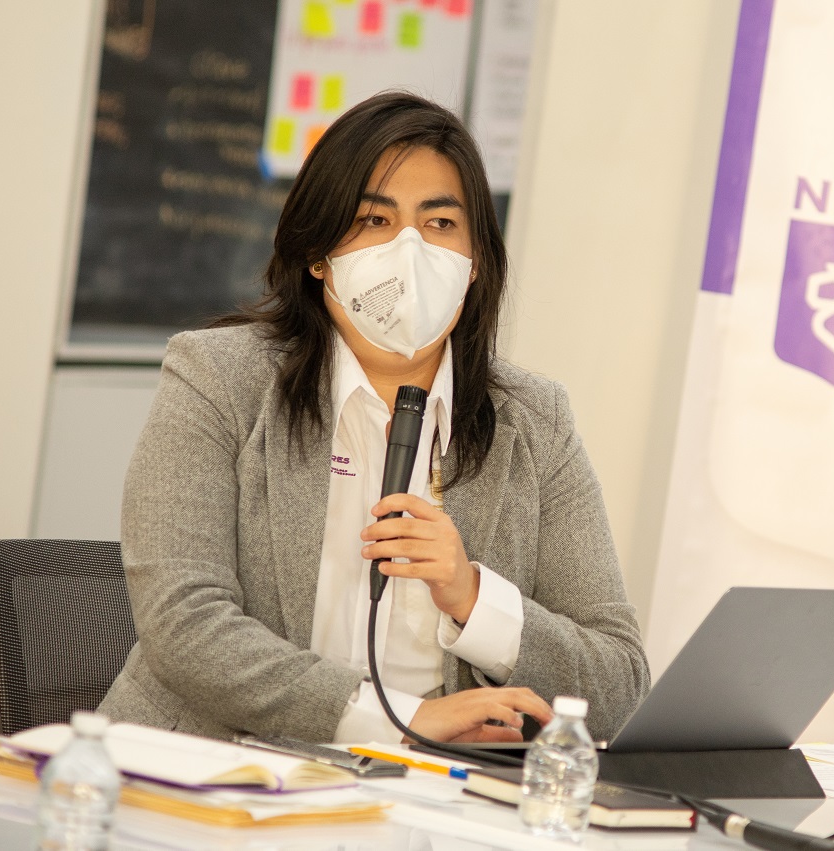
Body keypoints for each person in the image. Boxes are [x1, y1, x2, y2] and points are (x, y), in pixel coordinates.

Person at [97, 91, 650, 745]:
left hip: (430, 788)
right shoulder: (217, 377)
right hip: (211, 765)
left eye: (440, 223)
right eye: (374, 220)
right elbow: (183, 623)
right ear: (317, 252)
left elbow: (618, 684)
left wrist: (473, 596)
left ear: (475, 262)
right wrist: (400, 721)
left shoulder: (535, 422)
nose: (408, 249)